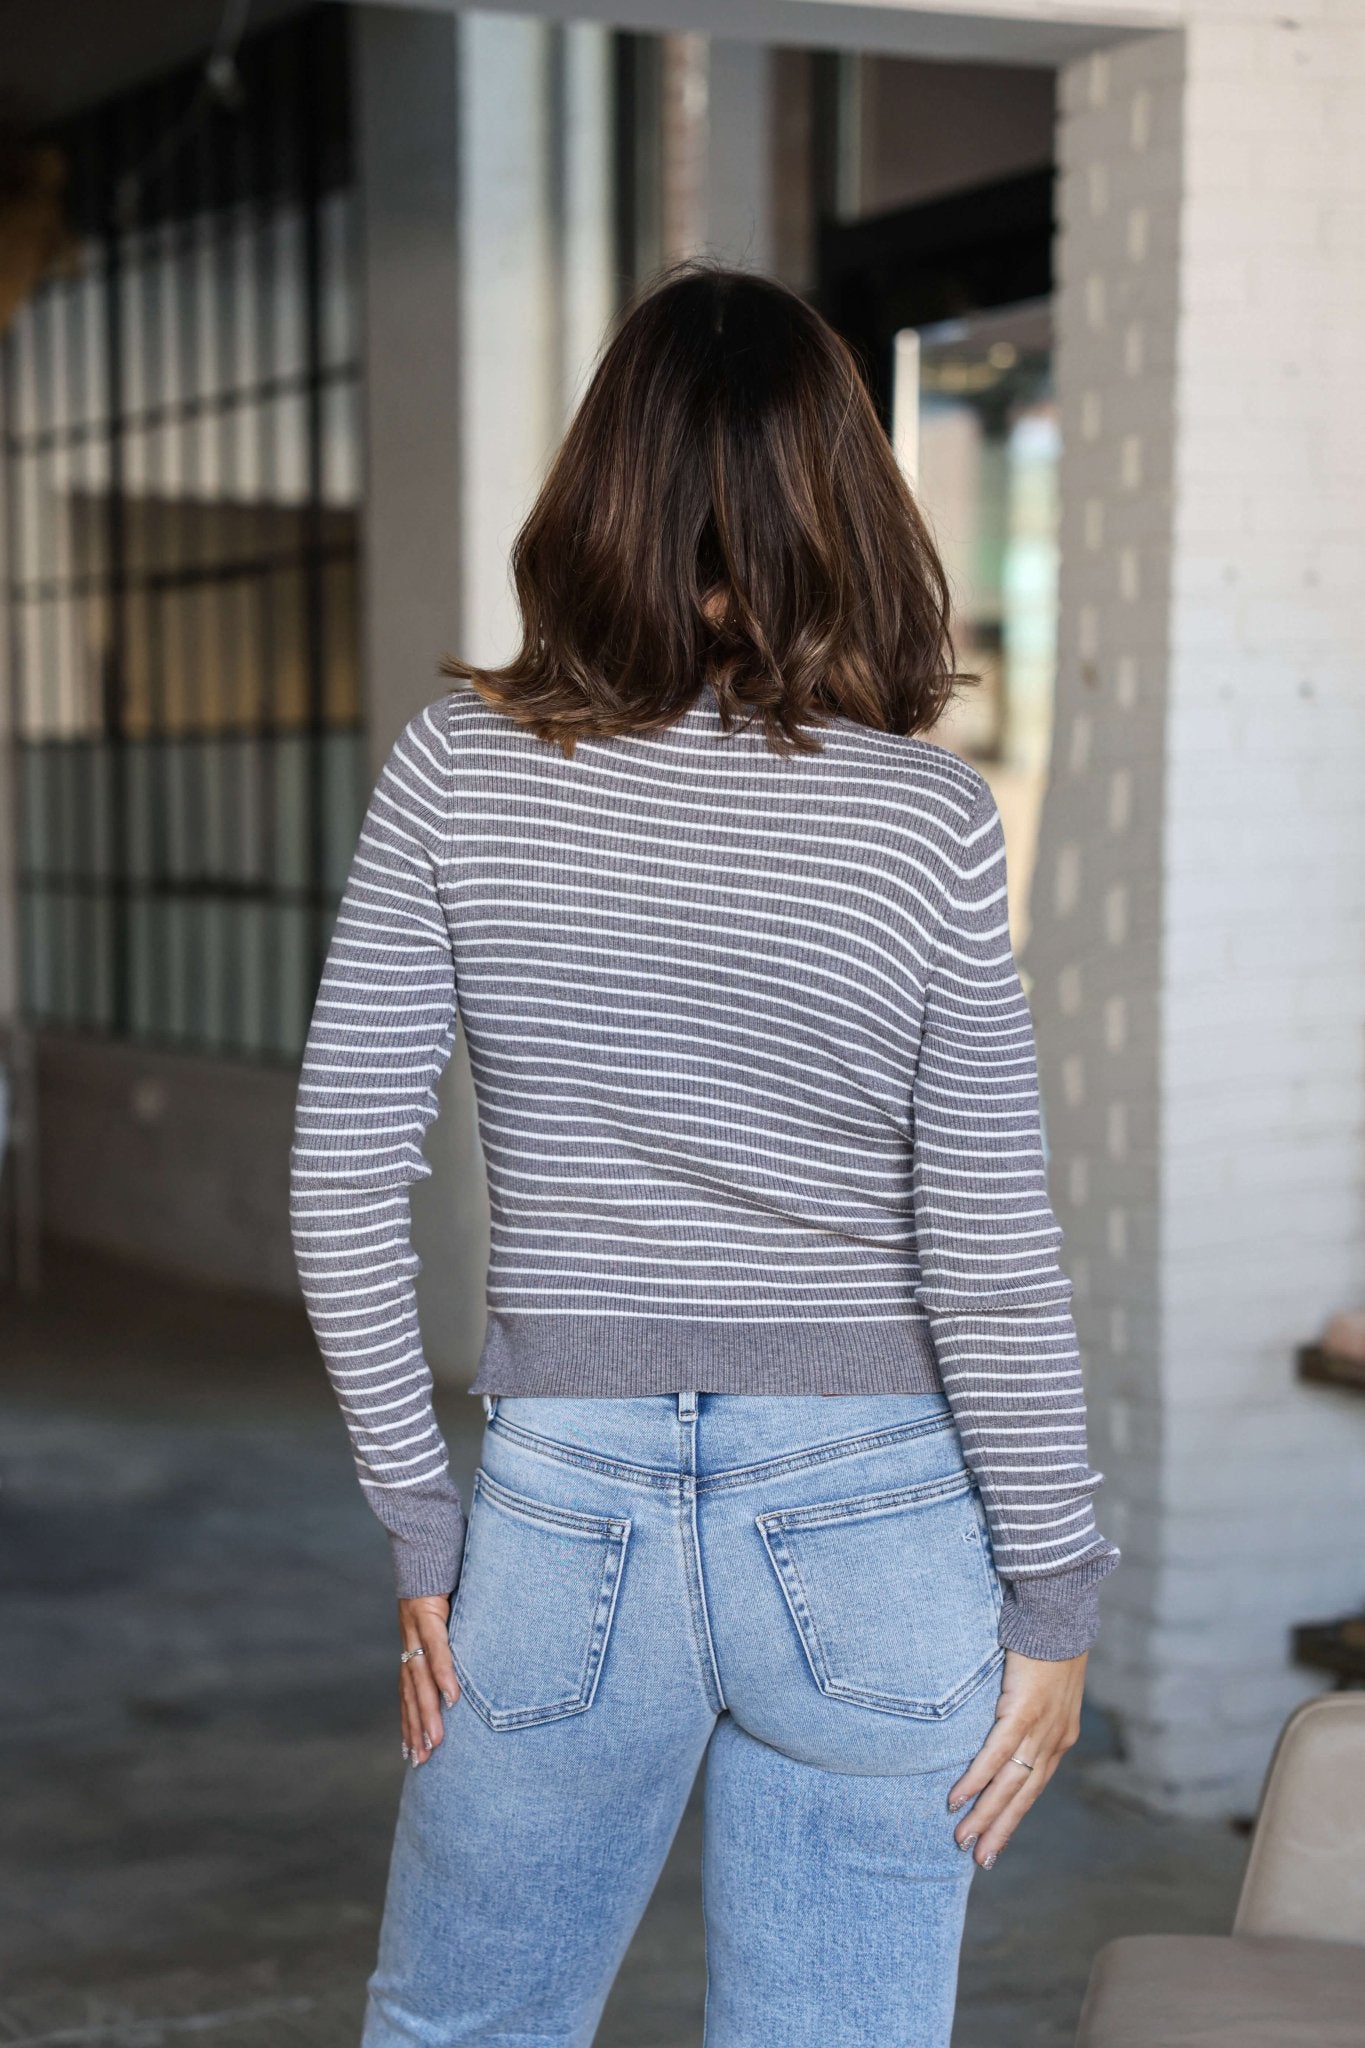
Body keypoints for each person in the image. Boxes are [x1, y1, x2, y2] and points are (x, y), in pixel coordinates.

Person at [288, 263, 1120, 2048]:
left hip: (560, 1516)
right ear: (845, 497)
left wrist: (420, 1531)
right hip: (881, 1521)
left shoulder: (459, 770)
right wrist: (1052, 1596)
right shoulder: (924, 814)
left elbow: (340, 1185)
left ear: (603, 486)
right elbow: (985, 1242)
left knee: (463, 2033)